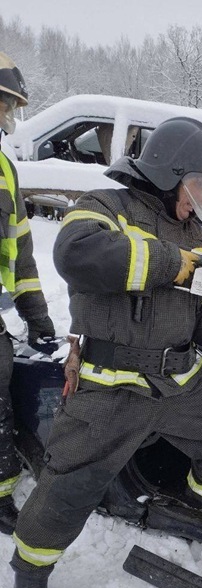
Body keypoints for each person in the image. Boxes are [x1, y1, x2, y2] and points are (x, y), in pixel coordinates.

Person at [10, 114, 202, 588]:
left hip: (179, 379)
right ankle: (30, 573)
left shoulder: (199, 235)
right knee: (69, 488)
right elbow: (76, 255)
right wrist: (171, 263)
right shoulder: (103, 206)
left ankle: (199, 502)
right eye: (201, 187)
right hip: (110, 385)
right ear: (169, 172)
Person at [0, 52, 55, 536]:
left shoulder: (4, 168)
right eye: (4, 104)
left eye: (10, 107)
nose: (7, 116)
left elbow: (20, 253)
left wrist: (36, 316)